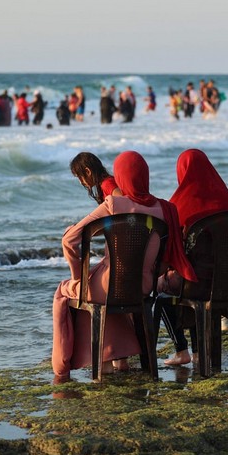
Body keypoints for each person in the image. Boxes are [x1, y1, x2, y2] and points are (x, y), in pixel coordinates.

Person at [52, 151, 197, 380]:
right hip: (143, 286)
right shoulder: (164, 209)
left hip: (112, 284)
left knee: (67, 290)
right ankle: (117, 359)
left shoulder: (112, 203)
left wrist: (78, 276)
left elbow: (69, 240)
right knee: (105, 291)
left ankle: (69, 365)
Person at [156, 149, 228, 367]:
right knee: (191, 274)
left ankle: (182, 349)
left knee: (162, 287)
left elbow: (172, 250)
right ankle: (199, 352)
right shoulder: (227, 199)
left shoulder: (181, 203)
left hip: (196, 285)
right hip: (227, 283)